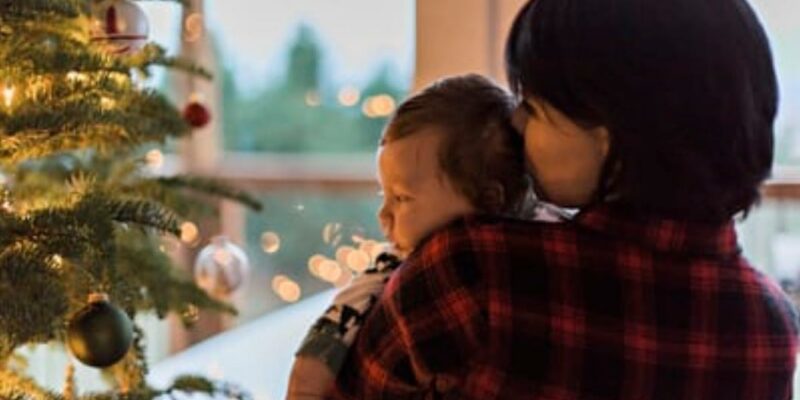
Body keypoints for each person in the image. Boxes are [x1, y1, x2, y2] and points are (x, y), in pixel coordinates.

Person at [332, 0, 800, 398]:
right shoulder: (771, 327)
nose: (516, 125)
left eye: (534, 107)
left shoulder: (475, 269)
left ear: (607, 129)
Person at [287, 74, 567, 399]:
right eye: (384, 195)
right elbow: (311, 370)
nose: (383, 215)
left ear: (489, 201)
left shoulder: (541, 244)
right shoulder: (389, 270)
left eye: (402, 198)